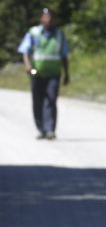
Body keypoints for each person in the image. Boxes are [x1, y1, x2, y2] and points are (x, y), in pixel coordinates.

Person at [18, 7, 70, 140]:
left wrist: (67, 73)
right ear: (41, 18)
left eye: (51, 18)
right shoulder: (34, 33)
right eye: (46, 17)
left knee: (51, 99)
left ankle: (50, 129)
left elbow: (64, 55)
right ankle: (41, 128)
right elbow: (25, 51)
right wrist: (28, 66)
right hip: (37, 72)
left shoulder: (59, 35)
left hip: (54, 73)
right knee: (38, 100)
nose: (49, 20)